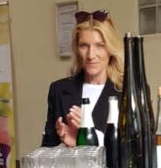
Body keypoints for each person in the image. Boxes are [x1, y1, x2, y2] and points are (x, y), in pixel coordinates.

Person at [41, 9, 123, 147]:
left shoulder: (127, 93)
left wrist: (91, 138)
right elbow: (47, 149)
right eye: (84, 46)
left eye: (99, 46)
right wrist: (67, 145)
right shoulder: (59, 90)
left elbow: (138, 150)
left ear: (110, 48)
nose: (91, 55)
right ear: (77, 49)